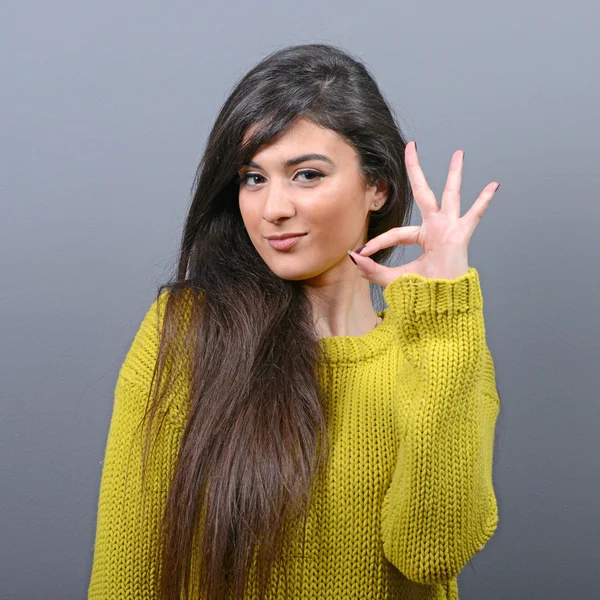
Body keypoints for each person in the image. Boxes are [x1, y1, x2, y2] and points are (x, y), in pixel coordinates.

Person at [87, 42, 501, 600]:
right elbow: (125, 568)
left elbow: (430, 553)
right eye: (253, 179)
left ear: (376, 186)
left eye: (306, 174)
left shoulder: (439, 350)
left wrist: (444, 313)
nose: (272, 207)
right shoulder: (188, 332)